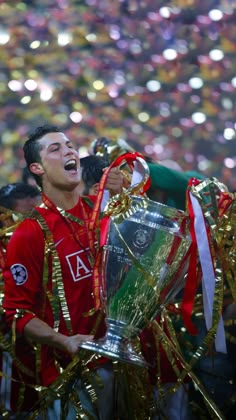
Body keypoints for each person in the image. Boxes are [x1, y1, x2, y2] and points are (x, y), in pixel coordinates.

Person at [2, 124, 124, 419]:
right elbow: (16, 312)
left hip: (126, 364)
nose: (69, 150)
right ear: (37, 168)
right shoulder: (29, 234)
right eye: (55, 148)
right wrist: (64, 340)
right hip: (74, 376)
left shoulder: (105, 213)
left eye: (70, 145)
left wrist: (128, 196)